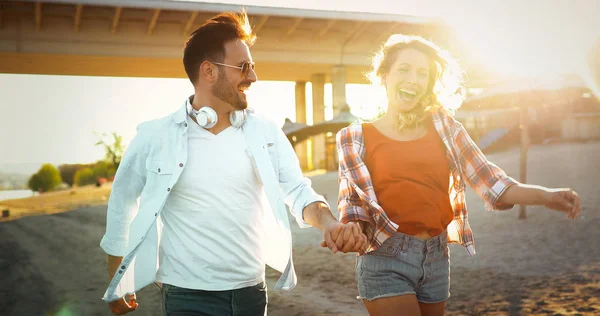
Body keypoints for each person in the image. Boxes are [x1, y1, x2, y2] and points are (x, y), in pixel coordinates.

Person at [100, 11, 367, 316]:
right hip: (186, 296)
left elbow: (296, 190)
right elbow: (122, 201)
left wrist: (329, 223)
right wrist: (116, 282)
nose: (253, 77)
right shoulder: (155, 136)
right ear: (209, 71)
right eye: (243, 67)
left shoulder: (265, 131)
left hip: (251, 295)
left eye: (252, 67)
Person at [336, 34, 581, 316]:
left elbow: (491, 180)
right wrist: (350, 228)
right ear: (384, 76)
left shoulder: (446, 129)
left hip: (437, 257)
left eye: (422, 73)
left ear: (429, 84)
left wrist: (545, 195)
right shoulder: (354, 137)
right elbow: (353, 205)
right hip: (384, 259)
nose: (413, 79)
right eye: (404, 69)